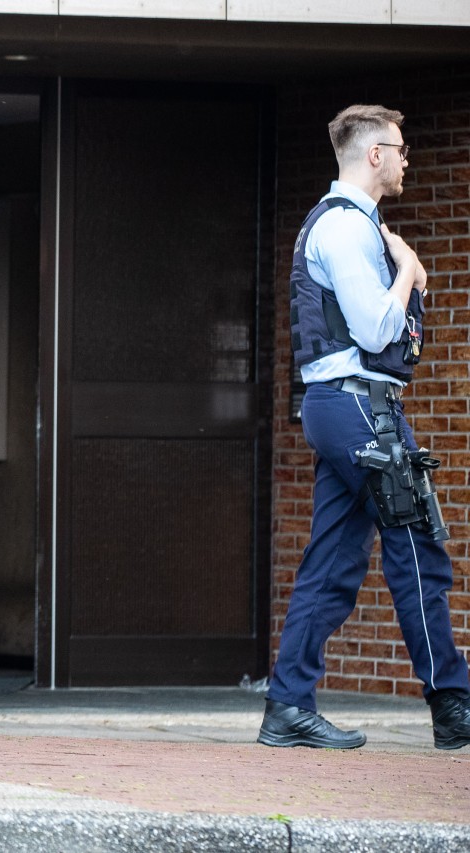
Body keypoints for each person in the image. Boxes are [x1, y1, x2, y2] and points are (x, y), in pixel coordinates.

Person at [261, 104, 470, 750]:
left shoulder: (345, 225)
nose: (407, 160)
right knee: (415, 546)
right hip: (357, 404)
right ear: (373, 154)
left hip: (345, 403)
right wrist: (409, 269)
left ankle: (288, 704)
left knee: (334, 558)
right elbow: (377, 327)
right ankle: (454, 705)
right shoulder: (347, 230)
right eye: (400, 149)